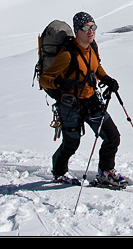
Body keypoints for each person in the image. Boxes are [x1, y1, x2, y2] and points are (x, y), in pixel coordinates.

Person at [39, 12, 124, 187]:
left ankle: (106, 172)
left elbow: (95, 67)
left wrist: (106, 79)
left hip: (91, 101)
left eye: (93, 27)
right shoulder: (67, 55)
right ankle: (59, 172)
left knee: (112, 136)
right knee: (71, 144)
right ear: (77, 30)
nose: (90, 31)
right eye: (86, 28)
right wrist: (60, 82)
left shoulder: (92, 47)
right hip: (70, 105)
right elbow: (44, 79)